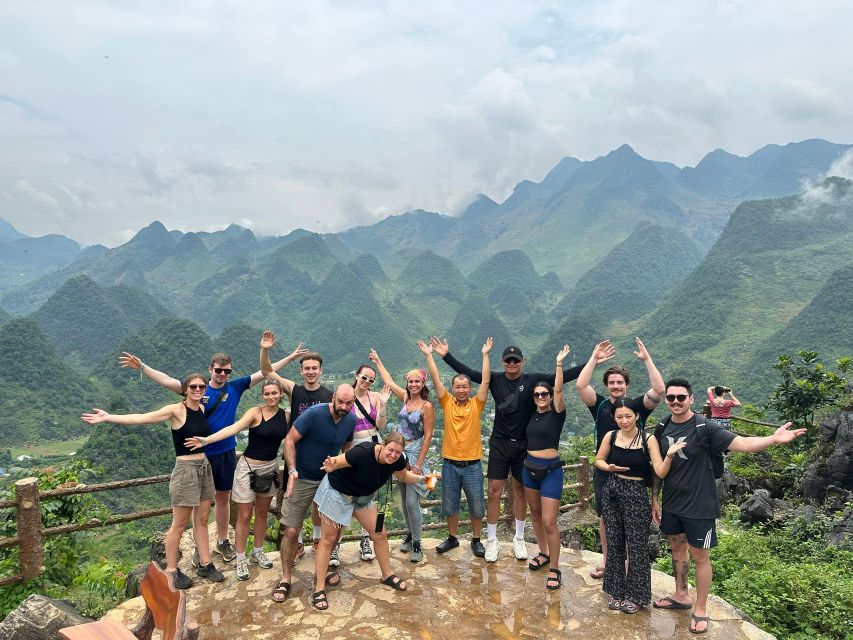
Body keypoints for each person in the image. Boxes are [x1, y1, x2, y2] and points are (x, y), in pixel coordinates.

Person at [119, 346, 303, 565]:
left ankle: (223, 540)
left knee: (223, 498)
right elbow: (166, 381)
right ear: (211, 369)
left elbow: (265, 372)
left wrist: (290, 357)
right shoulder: (198, 387)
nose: (223, 374)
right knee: (200, 504)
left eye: (227, 371)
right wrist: (142, 367)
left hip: (225, 452)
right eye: (219, 370)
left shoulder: (234, 387)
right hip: (201, 455)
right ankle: (200, 545)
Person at [651, 378, 806, 634]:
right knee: (677, 548)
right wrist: (655, 499)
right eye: (671, 398)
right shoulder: (662, 427)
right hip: (672, 503)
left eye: (681, 397)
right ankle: (681, 595)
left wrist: (773, 439)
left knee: (700, 556)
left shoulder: (705, 426)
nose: (676, 402)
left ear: (691, 399)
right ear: (666, 401)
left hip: (700, 505)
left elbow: (742, 444)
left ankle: (700, 609)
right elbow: (658, 470)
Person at [432, 338, 599, 563]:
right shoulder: (495, 379)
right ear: (503, 362)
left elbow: (564, 378)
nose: (511, 363)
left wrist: (592, 361)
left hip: (523, 445)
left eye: (515, 360)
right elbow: (468, 373)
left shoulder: (533, 381)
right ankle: (491, 540)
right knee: (493, 490)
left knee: (520, 490)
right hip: (500, 442)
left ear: (522, 361)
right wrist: (446, 356)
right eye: (508, 360)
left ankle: (519, 538)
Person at [82, 373, 225, 589]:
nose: (198, 389)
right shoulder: (176, 410)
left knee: (203, 519)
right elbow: (143, 417)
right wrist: (109, 416)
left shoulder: (203, 409)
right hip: (185, 470)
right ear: (185, 389)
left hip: (204, 468)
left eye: (201, 386)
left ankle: (205, 564)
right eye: (193, 386)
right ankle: (171, 571)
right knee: (179, 524)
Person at [575, 338, 663, 579]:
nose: (616, 386)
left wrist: (647, 360)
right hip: (605, 470)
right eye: (612, 382)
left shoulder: (636, 407)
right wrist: (594, 359)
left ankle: (626, 563)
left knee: (630, 520)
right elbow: (581, 386)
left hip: (633, 474)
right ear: (607, 385)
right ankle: (607, 560)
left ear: (626, 385)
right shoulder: (601, 405)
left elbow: (658, 390)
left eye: (620, 382)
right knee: (606, 517)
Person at [184, 378, 288, 581]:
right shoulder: (255, 413)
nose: (270, 397)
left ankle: (257, 551)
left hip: (270, 467)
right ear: (262, 395)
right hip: (247, 467)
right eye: (267, 393)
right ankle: (241, 558)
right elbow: (233, 428)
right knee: (244, 515)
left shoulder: (286, 416)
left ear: (281, 394)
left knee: (262, 513)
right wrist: (207, 440)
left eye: (274, 393)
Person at [311, 432, 426, 610]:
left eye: (397, 452)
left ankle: (387, 575)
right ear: (382, 445)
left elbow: (403, 476)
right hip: (338, 493)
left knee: (380, 534)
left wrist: (421, 478)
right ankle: (319, 589)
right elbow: (337, 462)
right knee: (328, 540)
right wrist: (331, 464)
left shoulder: (396, 460)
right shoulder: (363, 452)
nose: (393, 455)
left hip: (362, 498)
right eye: (390, 450)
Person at [272, 384, 357, 603]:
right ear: (334, 398)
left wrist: (346, 471)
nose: (344, 407)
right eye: (340, 402)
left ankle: (324, 569)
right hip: (302, 477)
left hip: (329, 480)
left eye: (349, 403)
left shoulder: (350, 420)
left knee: (330, 533)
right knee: (291, 530)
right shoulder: (314, 413)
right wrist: (291, 470)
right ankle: (285, 577)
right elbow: (290, 439)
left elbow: (347, 448)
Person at [259, 331, 330, 565]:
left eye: (314, 368)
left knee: (320, 503)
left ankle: (318, 540)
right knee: (293, 502)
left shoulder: (329, 396)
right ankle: (297, 543)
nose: (310, 371)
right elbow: (268, 372)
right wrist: (265, 349)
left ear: (320, 370)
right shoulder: (295, 390)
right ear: (301, 371)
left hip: (321, 458)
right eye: (306, 368)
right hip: (295, 456)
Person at [594, 398, 669, 613]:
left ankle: (636, 595)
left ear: (637, 416)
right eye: (619, 417)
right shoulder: (611, 436)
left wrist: (670, 457)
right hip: (613, 490)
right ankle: (616, 591)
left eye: (628, 416)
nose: (624, 420)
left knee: (637, 546)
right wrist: (608, 467)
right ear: (614, 418)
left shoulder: (648, 439)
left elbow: (659, 471)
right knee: (615, 541)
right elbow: (598, 459)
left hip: (636, 494)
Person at [420, 337, 492, 557]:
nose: (461, 390)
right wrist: (429, 356)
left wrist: (485, 355)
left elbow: (486, 382)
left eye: (464, 387)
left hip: (472, 465)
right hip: (450, 464)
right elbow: (434, 378)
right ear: (452, 388)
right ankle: (452, 538)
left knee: (477, 506)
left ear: (470, 389)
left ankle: (476, 539)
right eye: (457, 387)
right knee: (450, 506)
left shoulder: (477, 404)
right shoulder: (447, 402)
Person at [370, 349, 435, 563]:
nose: (413, 384)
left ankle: (417, 542)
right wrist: (378, 361)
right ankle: (410, 533)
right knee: (403, 495)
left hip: (415, 452)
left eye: (417, 381)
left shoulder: (426, 406)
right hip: (400, 453)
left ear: (423, 384)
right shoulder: (406, 398)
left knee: (411, 501)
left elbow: (428, 436)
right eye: (410, 381)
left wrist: (418, 464)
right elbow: (388, 380)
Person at [523, 345, 571, 590]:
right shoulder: (532, 415)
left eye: (545, 394)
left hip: (550, 470)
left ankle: (555, 567)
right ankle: (543, 553)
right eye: (537, 395)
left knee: (550, 521)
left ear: (550, 397)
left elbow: (560, 388)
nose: (541, 397)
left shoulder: (557, 413)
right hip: (529, 469)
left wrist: (559, 364)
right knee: (535, 515)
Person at [347, 364, 391, 562]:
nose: (367, 382)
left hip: (373, 445)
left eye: (371, 380)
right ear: (357, 376)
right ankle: (336, 543)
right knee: (346, 494)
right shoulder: (346, 395)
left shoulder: (374, 398)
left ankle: (365, 538)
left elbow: (380, 425)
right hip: (353, 448)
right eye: (364, 378)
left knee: (369, 494)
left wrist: (383, 405)